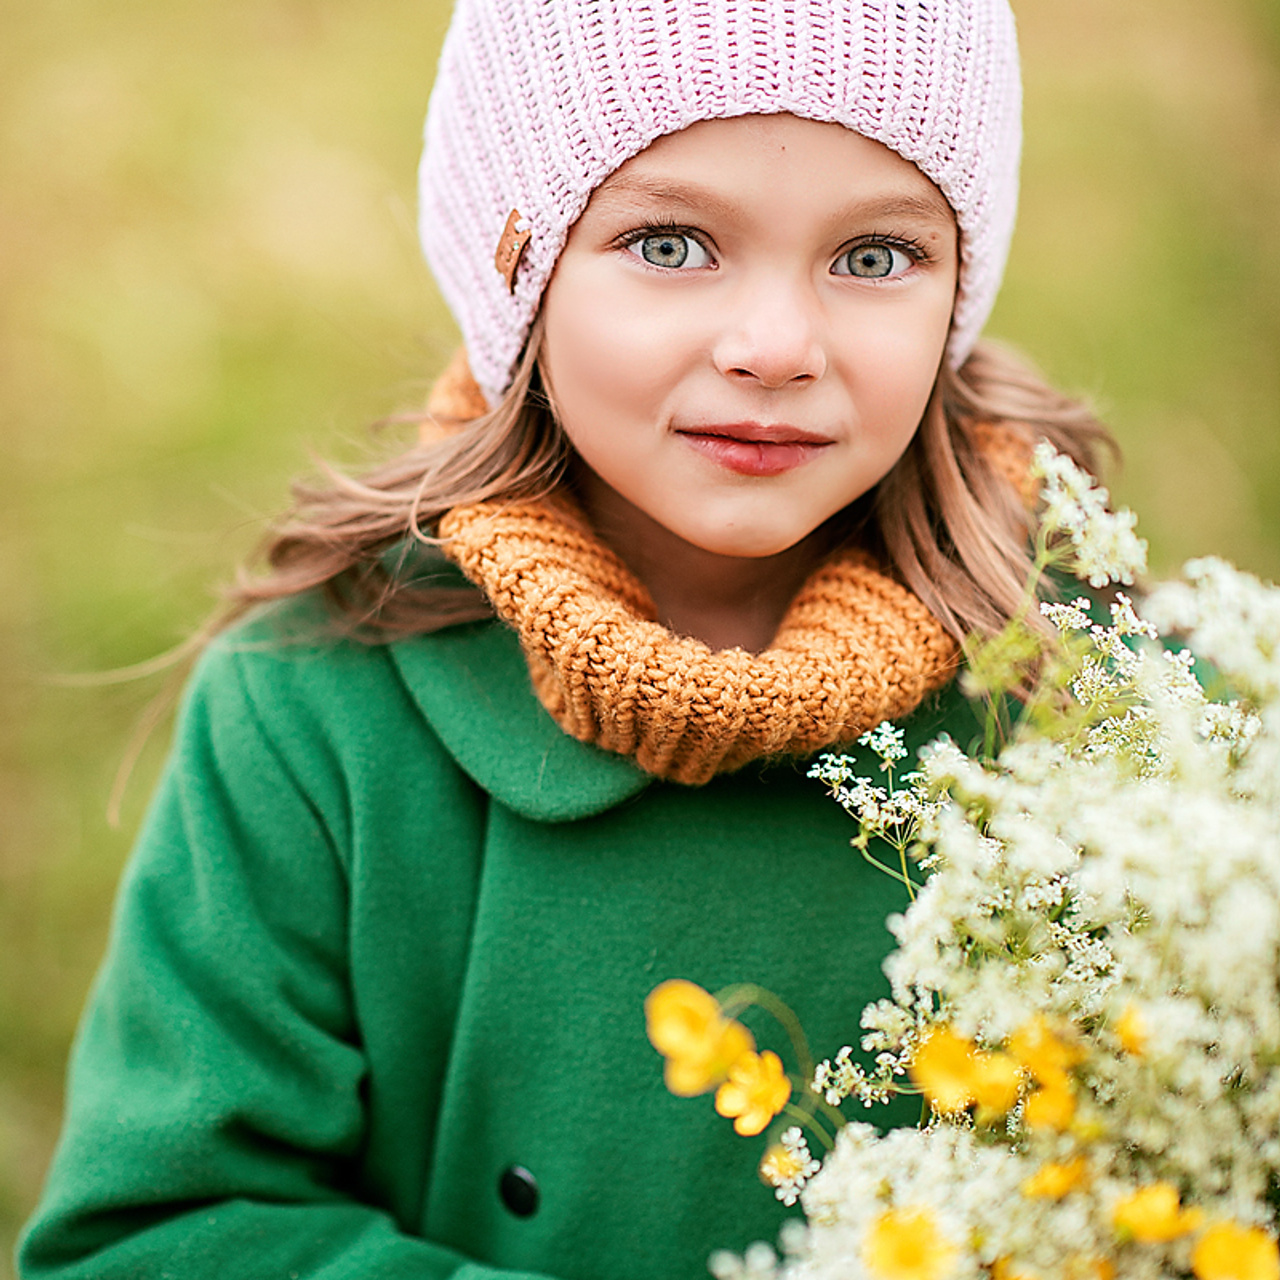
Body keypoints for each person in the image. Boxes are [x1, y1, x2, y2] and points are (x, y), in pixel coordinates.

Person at [18, 1, 1110, 1277]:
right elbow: (155, 1233)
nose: (775, 346)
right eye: (669, 243)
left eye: (873, 256)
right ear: (517, 273)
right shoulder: (318, 700)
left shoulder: (1091, 709)